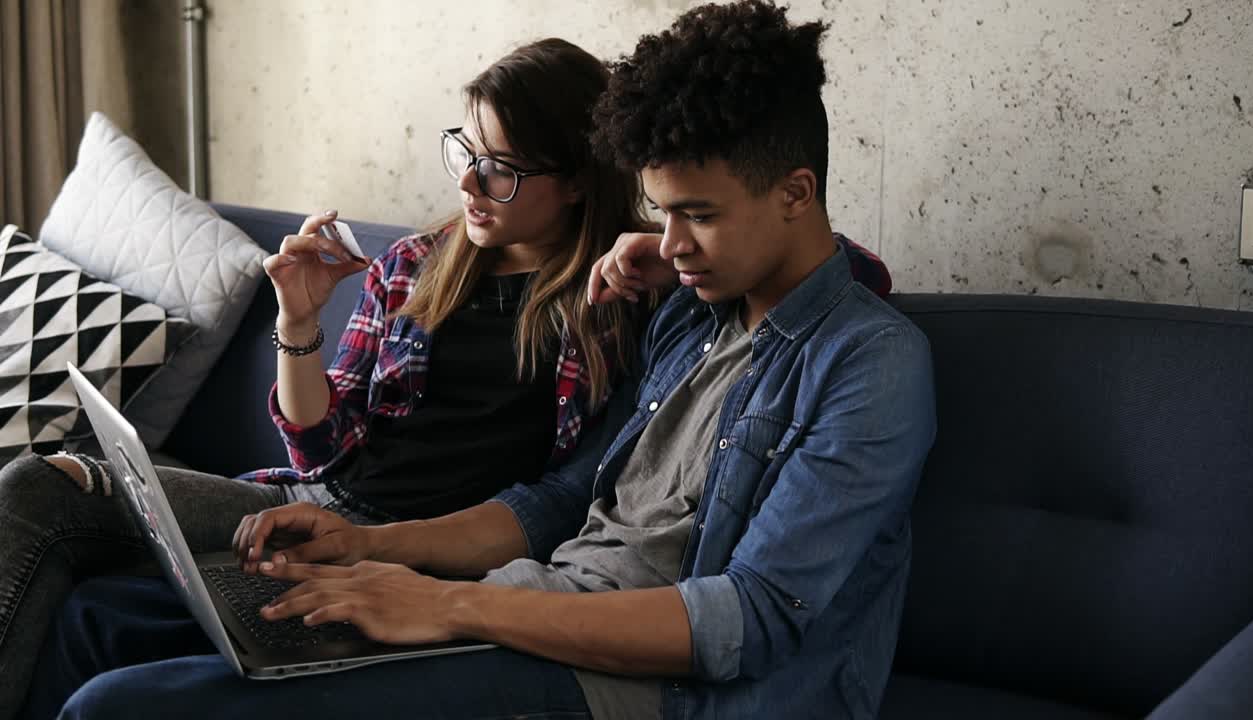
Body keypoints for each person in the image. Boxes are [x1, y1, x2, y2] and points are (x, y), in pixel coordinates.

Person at [25, 2, 933, 718]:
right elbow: (565, 499)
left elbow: (753, 621)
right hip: (532, 601)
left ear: (796, 193)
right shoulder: (690, 317)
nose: (671, 242)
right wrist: (369, 547)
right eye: (659, 214)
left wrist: (447, 604)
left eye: (697, 214)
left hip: (645, 690)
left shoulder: (869, 366)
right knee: (104, 626)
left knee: (123, 705)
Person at [0, 37, 660, 719]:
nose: (466, 182)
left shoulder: (618, 302)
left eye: (499, 169)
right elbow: (322, 452)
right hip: (320, 501)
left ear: (579, 179)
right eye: (464, 152)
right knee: (47, 486)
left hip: (424, 554)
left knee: (93, 604)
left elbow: (565, 498)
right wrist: (298, 318)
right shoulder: (415, 264)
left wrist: (375, 547)